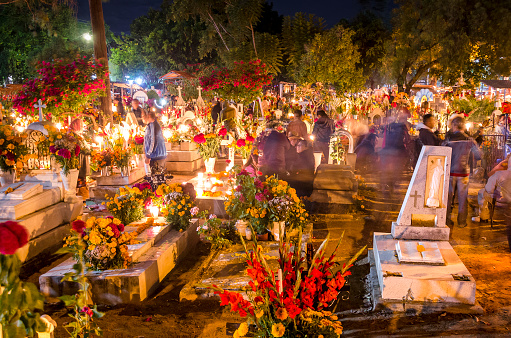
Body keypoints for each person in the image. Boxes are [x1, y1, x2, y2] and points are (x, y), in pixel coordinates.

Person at [442, 117, 482, 228]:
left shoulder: (448, 140)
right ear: (463, 126)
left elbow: (440, 151)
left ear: (454, 125)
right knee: (463, 198)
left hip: (450, 172)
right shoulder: (469, 140)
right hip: (464, 172)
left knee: (447, 198)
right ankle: (462, 222)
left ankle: (446, 220)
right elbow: (478, 155)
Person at [142, 110, 167, 176]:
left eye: (143, 116)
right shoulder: (151, 125)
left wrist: (148, 154)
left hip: (156, 155)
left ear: (148, 116)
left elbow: (153, 140)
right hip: (156, 155)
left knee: (156, 176)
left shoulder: (152, 125)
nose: (142, 118)